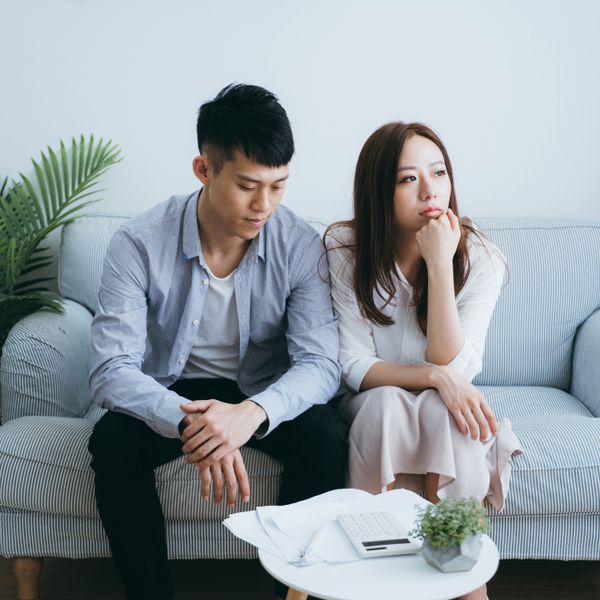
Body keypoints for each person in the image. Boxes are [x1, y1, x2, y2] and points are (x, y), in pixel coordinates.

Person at [88, 83, 347, 600]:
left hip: (259, 391)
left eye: (278, 186)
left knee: (326, 437)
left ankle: (292, 594)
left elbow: (320, 363)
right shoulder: (138, 243)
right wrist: (192, 421)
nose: (265, 205)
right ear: (203, 170)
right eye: (249, 185)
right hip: (173, 390)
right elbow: (111, 369)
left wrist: (249, 414)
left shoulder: (301, 245)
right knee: (111, 443)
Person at [325, 122, 522, 600]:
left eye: (439, 173)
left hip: (446, 403)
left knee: (450, 414)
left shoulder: (481, 257)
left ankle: (463, 581)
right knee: (387, 407)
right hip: (374, 399)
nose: (431, 190)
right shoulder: (344, 249)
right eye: (408, 178)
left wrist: (439, 262)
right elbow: (353, 365)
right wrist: (434, 376)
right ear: (378, 191)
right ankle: (377, 572)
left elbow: (456, 367)